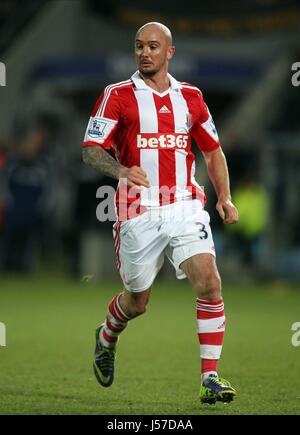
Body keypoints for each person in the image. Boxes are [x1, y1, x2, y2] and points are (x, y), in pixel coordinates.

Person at [82, 22, 239, 405]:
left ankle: (210, 378)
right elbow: (90, 149)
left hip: (185, 205)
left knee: (210, 282)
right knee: (138, 302)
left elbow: (212, 150)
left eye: (153, 46)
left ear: (169, 52)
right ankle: (107, 335)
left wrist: (224, 197)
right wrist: (120, 170)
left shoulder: (191, 97)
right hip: (137, 211)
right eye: (139, 46)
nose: (145, 52)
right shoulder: (116, 95)